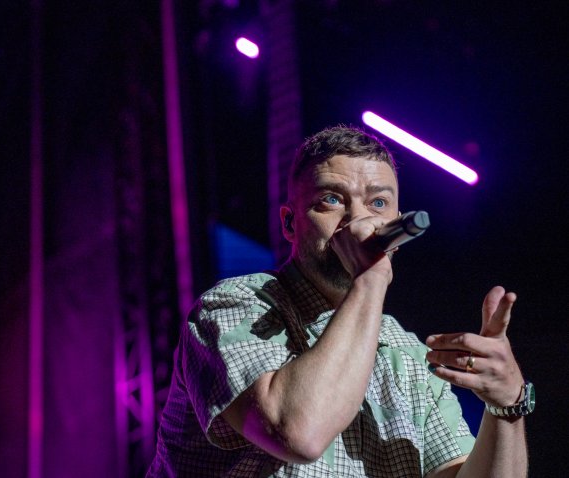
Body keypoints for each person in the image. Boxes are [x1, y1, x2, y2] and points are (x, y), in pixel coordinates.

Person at [147, 126, 532, 477]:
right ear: (289, 223)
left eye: (378, 203)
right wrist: (370, 278)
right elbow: (297, 433)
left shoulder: (406, 354)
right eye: (331, 200)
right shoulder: (233, 306)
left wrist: (507, 406)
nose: (358, 219)